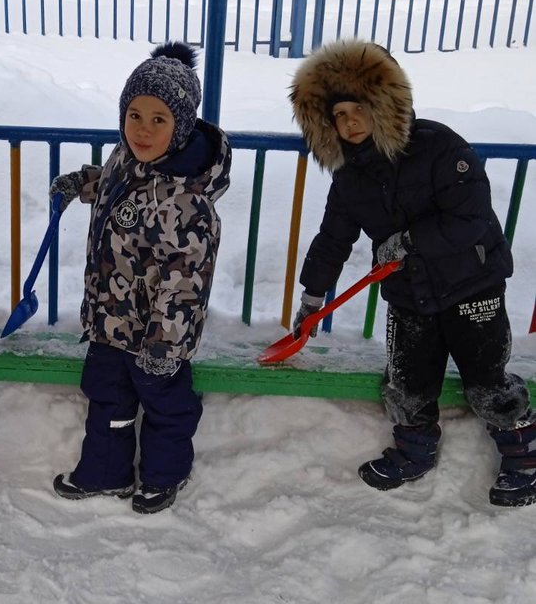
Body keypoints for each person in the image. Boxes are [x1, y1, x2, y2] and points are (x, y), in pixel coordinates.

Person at [289, 38, 536, 506]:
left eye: (358, 108)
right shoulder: (349, 174)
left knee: (486, 379)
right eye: (338, 115)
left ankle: (524, 455)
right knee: (406, 379)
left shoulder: (439, 146)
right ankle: (415, 450)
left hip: (472, 286)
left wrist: (412, 241)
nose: (349, 122)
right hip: (409, 293)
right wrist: (312, 297)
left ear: (385, 104)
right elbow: (333, 237)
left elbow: (472, 219)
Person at [49, 41, 232, 514]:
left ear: (182, 126)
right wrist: (83, 183)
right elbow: (116, 185)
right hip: (112, 320)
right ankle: (105, 472)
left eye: (158, 120)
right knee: (107, 399)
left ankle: (163, 476)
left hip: (156, 335)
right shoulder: (126, 159)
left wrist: (165, 344)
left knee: (167, 408)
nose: (143, 130)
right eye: (134, 115)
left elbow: (186, 284)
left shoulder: (188, 202)